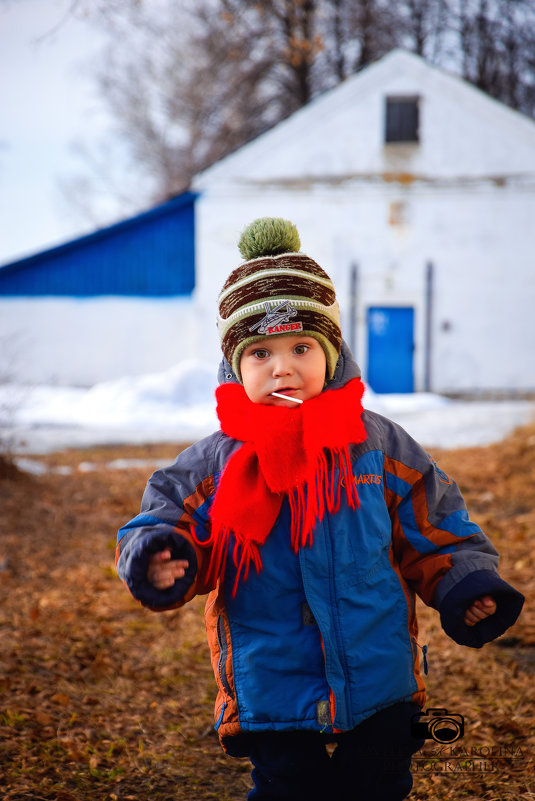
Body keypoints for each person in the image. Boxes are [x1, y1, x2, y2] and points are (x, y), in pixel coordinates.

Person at [116, 217, 524, 801]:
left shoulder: (377, 446)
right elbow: (159, 522)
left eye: (301, 348)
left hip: (377, 673)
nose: (283, 367)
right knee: (289, 790)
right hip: (269, 680)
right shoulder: (211, 465)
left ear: (331, 355)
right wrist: (162, 556)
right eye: (261, 352)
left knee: (378, 785)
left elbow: (436, 527)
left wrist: (467, 583)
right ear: (236, 366)